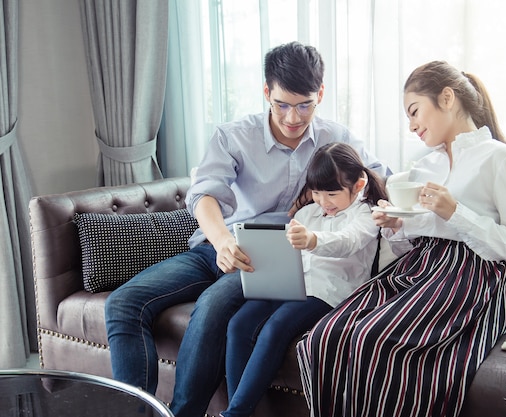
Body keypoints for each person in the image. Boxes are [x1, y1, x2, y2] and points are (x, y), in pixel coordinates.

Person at [104, 41, 390, 417]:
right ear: (266, 92)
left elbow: (377, 183)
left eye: (305, 104)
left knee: (211, 307)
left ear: (320, 94)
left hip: (274, 258)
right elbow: (204, 194)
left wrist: (379, 208)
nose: (292, 117)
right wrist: (221, 241)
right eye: (282, 104)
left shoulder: (337, 139)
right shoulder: (234, 136)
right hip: (217, 244)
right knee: (123, 303)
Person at [296, 60, 506, 417]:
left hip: (474, 277)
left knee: (371, 340)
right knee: (324, 336)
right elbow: (411, 243)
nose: (411, 126)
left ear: (447, 98)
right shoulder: (424, 167)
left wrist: (456, 212)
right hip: (419, 268)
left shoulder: (501, 159)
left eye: (414, 112)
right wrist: (395, 227)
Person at [220, 142, 388, 417]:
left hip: (328, 291)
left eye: (332, 194)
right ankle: (241, 411)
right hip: (288, 283)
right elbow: (285, 251)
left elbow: (348, 242)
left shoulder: (366, 213)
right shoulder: (307, 213)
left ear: (358, 186)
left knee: (275, 327)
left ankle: (234, 413)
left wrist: (312, 240)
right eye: (317, 192)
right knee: (239, 324)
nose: (323, 201)